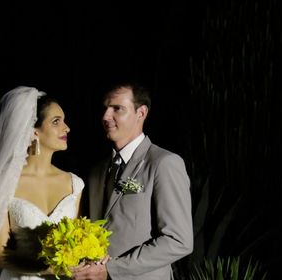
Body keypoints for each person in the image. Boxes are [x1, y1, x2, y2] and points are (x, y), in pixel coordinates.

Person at [0, 86, 84, 280]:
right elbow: (0, 255)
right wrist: (52, 269)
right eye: (56, 121)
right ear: (33, 131)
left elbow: (78, 240)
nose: (67, 128)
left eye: (63, 121)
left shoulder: (75, 184)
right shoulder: (6, 183)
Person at [72, 82, 193, 280]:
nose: (105, 116)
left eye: (117, 109)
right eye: (105, 109)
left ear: (141, 113)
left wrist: (112, 270)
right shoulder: (96, 171)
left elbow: (179, 240)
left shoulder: (164, 163)